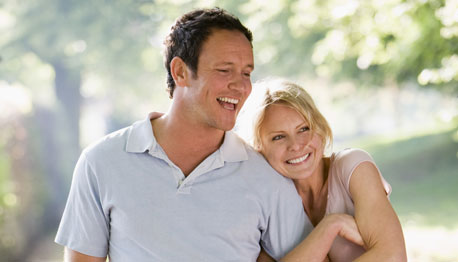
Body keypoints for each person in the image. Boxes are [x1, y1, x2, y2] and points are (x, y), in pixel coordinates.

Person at [55, 8, 361, 262]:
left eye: (246, 73)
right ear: (180, 72)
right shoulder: (102, 162)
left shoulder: (265, 175)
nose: (241, 87)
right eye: (225, 70)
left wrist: (331, 225)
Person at [238, 79, 407, 261]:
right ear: (258, 148)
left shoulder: (353, 168)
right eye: (278, 137)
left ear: (320, 128)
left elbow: (394, 257)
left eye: (303, 129)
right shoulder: (269, 203)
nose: (296, 145)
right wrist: (332, 225)